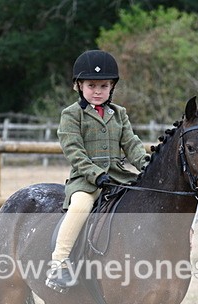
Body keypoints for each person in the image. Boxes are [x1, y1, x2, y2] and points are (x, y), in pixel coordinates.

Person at [46, 49, 149, 291]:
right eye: (91, 85)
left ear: (111, 87)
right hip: (86, 180)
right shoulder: (71, 115)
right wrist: (95, 174)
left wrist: (147, 166)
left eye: (103, 86)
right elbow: (74, 151)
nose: (97, 91)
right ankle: (58, 263)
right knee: (81, 206)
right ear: (79, 86)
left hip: (118, 178)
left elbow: (132, 144)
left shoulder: (119, 114)